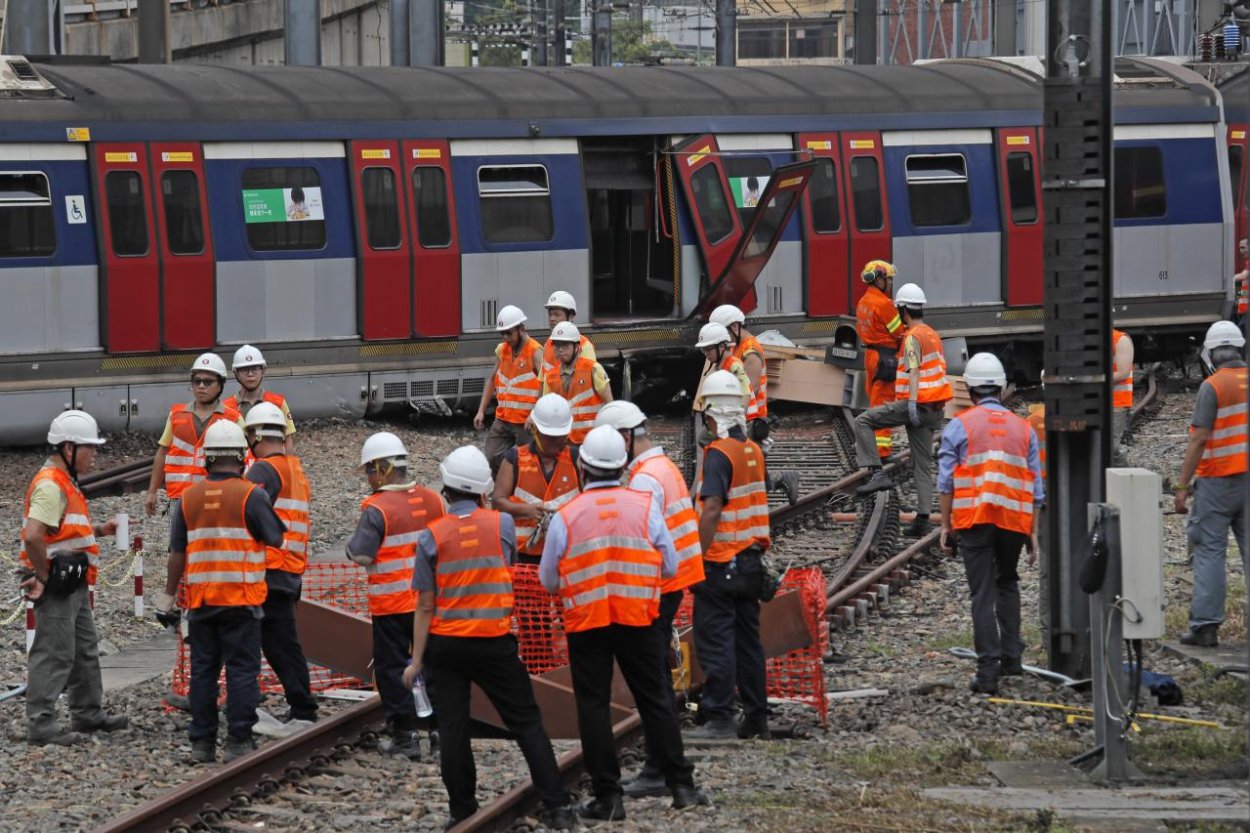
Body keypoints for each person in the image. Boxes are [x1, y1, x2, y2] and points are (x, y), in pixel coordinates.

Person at [402, 446, 575, 831]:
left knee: (453, 729)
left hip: (446, 647)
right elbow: (507, 565)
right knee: (528, 722)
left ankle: (461, 809)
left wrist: (417, 661)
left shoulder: (432, 536)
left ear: (446, 489)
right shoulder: (503, 526)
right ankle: (558, 807)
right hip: (494, 641)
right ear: (482, 490)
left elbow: (425, 606)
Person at [540, 426, 707, 820]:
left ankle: (608, 797)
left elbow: (548, 579)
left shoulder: (567, 516)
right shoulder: (645, 506)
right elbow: (669, 564)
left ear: (582, 467)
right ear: (621, 465)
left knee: (593, 707)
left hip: (588, 623)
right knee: (655, 700)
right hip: (639, 618)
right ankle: (681, 786)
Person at [593, 401, 706, 798]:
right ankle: (662, 766)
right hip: (675, 582)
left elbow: (642, 542)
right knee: (656, 679)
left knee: (653, 685)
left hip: (657, 589)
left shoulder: (644, 480)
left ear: (625, 438)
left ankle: (662, 769)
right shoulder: (664, 468)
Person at [157, 421, 285, 763]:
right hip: (241, 601)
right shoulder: (251, 495)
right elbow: (276, 538)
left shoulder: (189, 498)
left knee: (203, 672)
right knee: (242, 671)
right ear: (242, 457)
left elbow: (177, 553)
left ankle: (201, 744)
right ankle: (239, 743)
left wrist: (168, 597)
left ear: (207, 459)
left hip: (200, 602)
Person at [937, 353, 1044, 695]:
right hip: (1013, 520)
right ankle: (1012, 661)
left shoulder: (958, 426)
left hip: (974, 520)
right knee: (1008, 583)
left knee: (981, 593)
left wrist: (946, 526)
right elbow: (1036, 488)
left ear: (969, 390)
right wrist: (1033, 532)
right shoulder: (1024, 428)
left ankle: (987, 674)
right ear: (1001, 389)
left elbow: (946, 483)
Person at [20, 410, 129, 746]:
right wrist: (43, 574)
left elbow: (59, 530)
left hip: (72, 580)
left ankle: (88, 713)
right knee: (55, 651)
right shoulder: (52, 485)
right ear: (69, 448)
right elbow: (34, 536)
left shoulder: (63, 482)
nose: (94, 455)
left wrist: (99, 531)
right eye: (89, 448)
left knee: (83, 649)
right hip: (57, 583)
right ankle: (41, 723)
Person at [345, 432, 445, 759]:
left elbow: (360, 554)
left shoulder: (378, 508)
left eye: (369, 470)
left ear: (381, 469)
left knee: (392, 669)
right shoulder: (433, 500)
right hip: (429, 602)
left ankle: (405, 737)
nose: (368, 478)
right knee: (432, 664)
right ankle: (440, 731)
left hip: (392, 606)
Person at [688, 370, 773, 740]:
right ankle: (756, 718)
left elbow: (711, 510)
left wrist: (696, 556)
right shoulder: (753, 450)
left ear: (714, 414)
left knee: (717, 640)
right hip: (752, 561)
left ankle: (720, 718)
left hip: (722, 561)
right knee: (748, 642)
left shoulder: (718, 454)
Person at [855, 283, 953, 537]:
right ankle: (922, 520)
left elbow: (914, 370)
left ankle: (876, 473)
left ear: (903, 310)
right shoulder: (932, 334)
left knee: (864, 421)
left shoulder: (911, 337)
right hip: (934, 408)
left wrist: (909, 404)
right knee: (922, 464)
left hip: (916, 404)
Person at [1173, 320, 1247, 648]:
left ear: (1213, 353)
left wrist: (1182, 485)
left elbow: (1199, 439)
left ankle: (1205, 627)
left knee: (1210, 551)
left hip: (1218, 481)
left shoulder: (1213, 387)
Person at [242, 402, 317, 724]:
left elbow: (243, 513)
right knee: (281, 645)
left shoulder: (262, 469)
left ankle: (238, 706)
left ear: (255, 435)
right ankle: (303, 706)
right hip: (289, 570)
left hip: (266, 570)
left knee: (242, 641)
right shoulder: (294, 469)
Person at [709, 304, 799, 505]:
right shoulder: (738, 347)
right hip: (746, 418)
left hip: (752, 419)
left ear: (734, 327)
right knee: (752, 472)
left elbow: (751, 388)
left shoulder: (751, 351)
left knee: (750, 472)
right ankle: (780, 481)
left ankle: (783, 479)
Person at [145, 353, 244, 522]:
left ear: (220, 384)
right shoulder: (176, 415)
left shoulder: (234, 418)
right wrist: (152, 492)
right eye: (196, 381)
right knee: (179, 547)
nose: (201, 386)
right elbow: (162, 453)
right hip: (180, 498)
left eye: (208, 382)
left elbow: (245, 460)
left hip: (217, 497)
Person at [492, 393, 581, 562]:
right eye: (549, 437)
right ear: (535, 431)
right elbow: (497, 501)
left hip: (565, 553)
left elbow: (589, 502)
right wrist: (526, 510)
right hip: (523, 555)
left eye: (559, 437)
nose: (555, 442)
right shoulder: (515, 458)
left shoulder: (576, 459)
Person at [474, 305, 544, 473]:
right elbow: (492, 380)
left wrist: (534, 415)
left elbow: (546, 384)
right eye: (502, 333)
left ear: (521, 328)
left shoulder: (535, 351)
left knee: (527, 464)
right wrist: (481, 411)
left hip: (525, 422)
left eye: (509, 333)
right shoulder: (502, 350)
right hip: (503, 418)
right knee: (490, 457)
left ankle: (521, 493)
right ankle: (504, 487)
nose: (506, 337)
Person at [855, 260, 905, 461]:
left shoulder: (863, 302)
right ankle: (882, 453)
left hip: (871, 357)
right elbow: (899, 333)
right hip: (885, 357)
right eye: (888, 279)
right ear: (879, 279)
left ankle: (875, 448)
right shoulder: (884, 304)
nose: (890, 283)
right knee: (883, 405)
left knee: (875, 401)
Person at [542, 321, 614, 443]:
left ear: (577, 347)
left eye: (564, 345)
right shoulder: (549, 376)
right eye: (556, 345)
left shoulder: (593, 369)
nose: (559, 349)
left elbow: (610, 405)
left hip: (592, 441)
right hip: (565, 443)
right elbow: (547, 411)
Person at [224, 344, 296, 455]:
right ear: (236, 373)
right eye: (244, 369)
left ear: (263, 371)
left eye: (255, 369)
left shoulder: (278, 402)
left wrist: (286, 468)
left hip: (271, 466)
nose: (250, 374)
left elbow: (288, 440)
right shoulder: (226, 407)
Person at [542, 290, 596, 372]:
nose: (551, 319)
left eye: (557, 314)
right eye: (550, 314)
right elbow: (543, 382)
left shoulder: (584, 346)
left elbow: (586, 380)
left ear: (570, 316)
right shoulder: (548, 344)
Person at [1110, 328, 1134, 465]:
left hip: (1116, 403)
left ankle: (1126, 474)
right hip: (1092, 401)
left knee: (1110, 448)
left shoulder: (1120, 340)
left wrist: (1092, 379)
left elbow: (1122, 373)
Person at [1233, 237, 1248, 326]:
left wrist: (1233, 279)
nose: (1240, 251)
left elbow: (1243, 276)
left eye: (1243, 248)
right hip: (1245, 309)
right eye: (1239, 248)